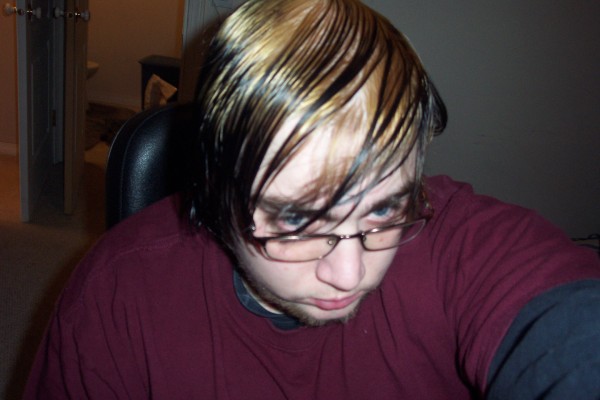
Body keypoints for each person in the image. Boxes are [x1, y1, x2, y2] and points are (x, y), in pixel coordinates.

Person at [24, 0, 600, 398]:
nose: (349, 273)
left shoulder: (463, 246)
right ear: (216, 190)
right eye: (298, 219)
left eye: (384, 208)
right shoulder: (117, 293)